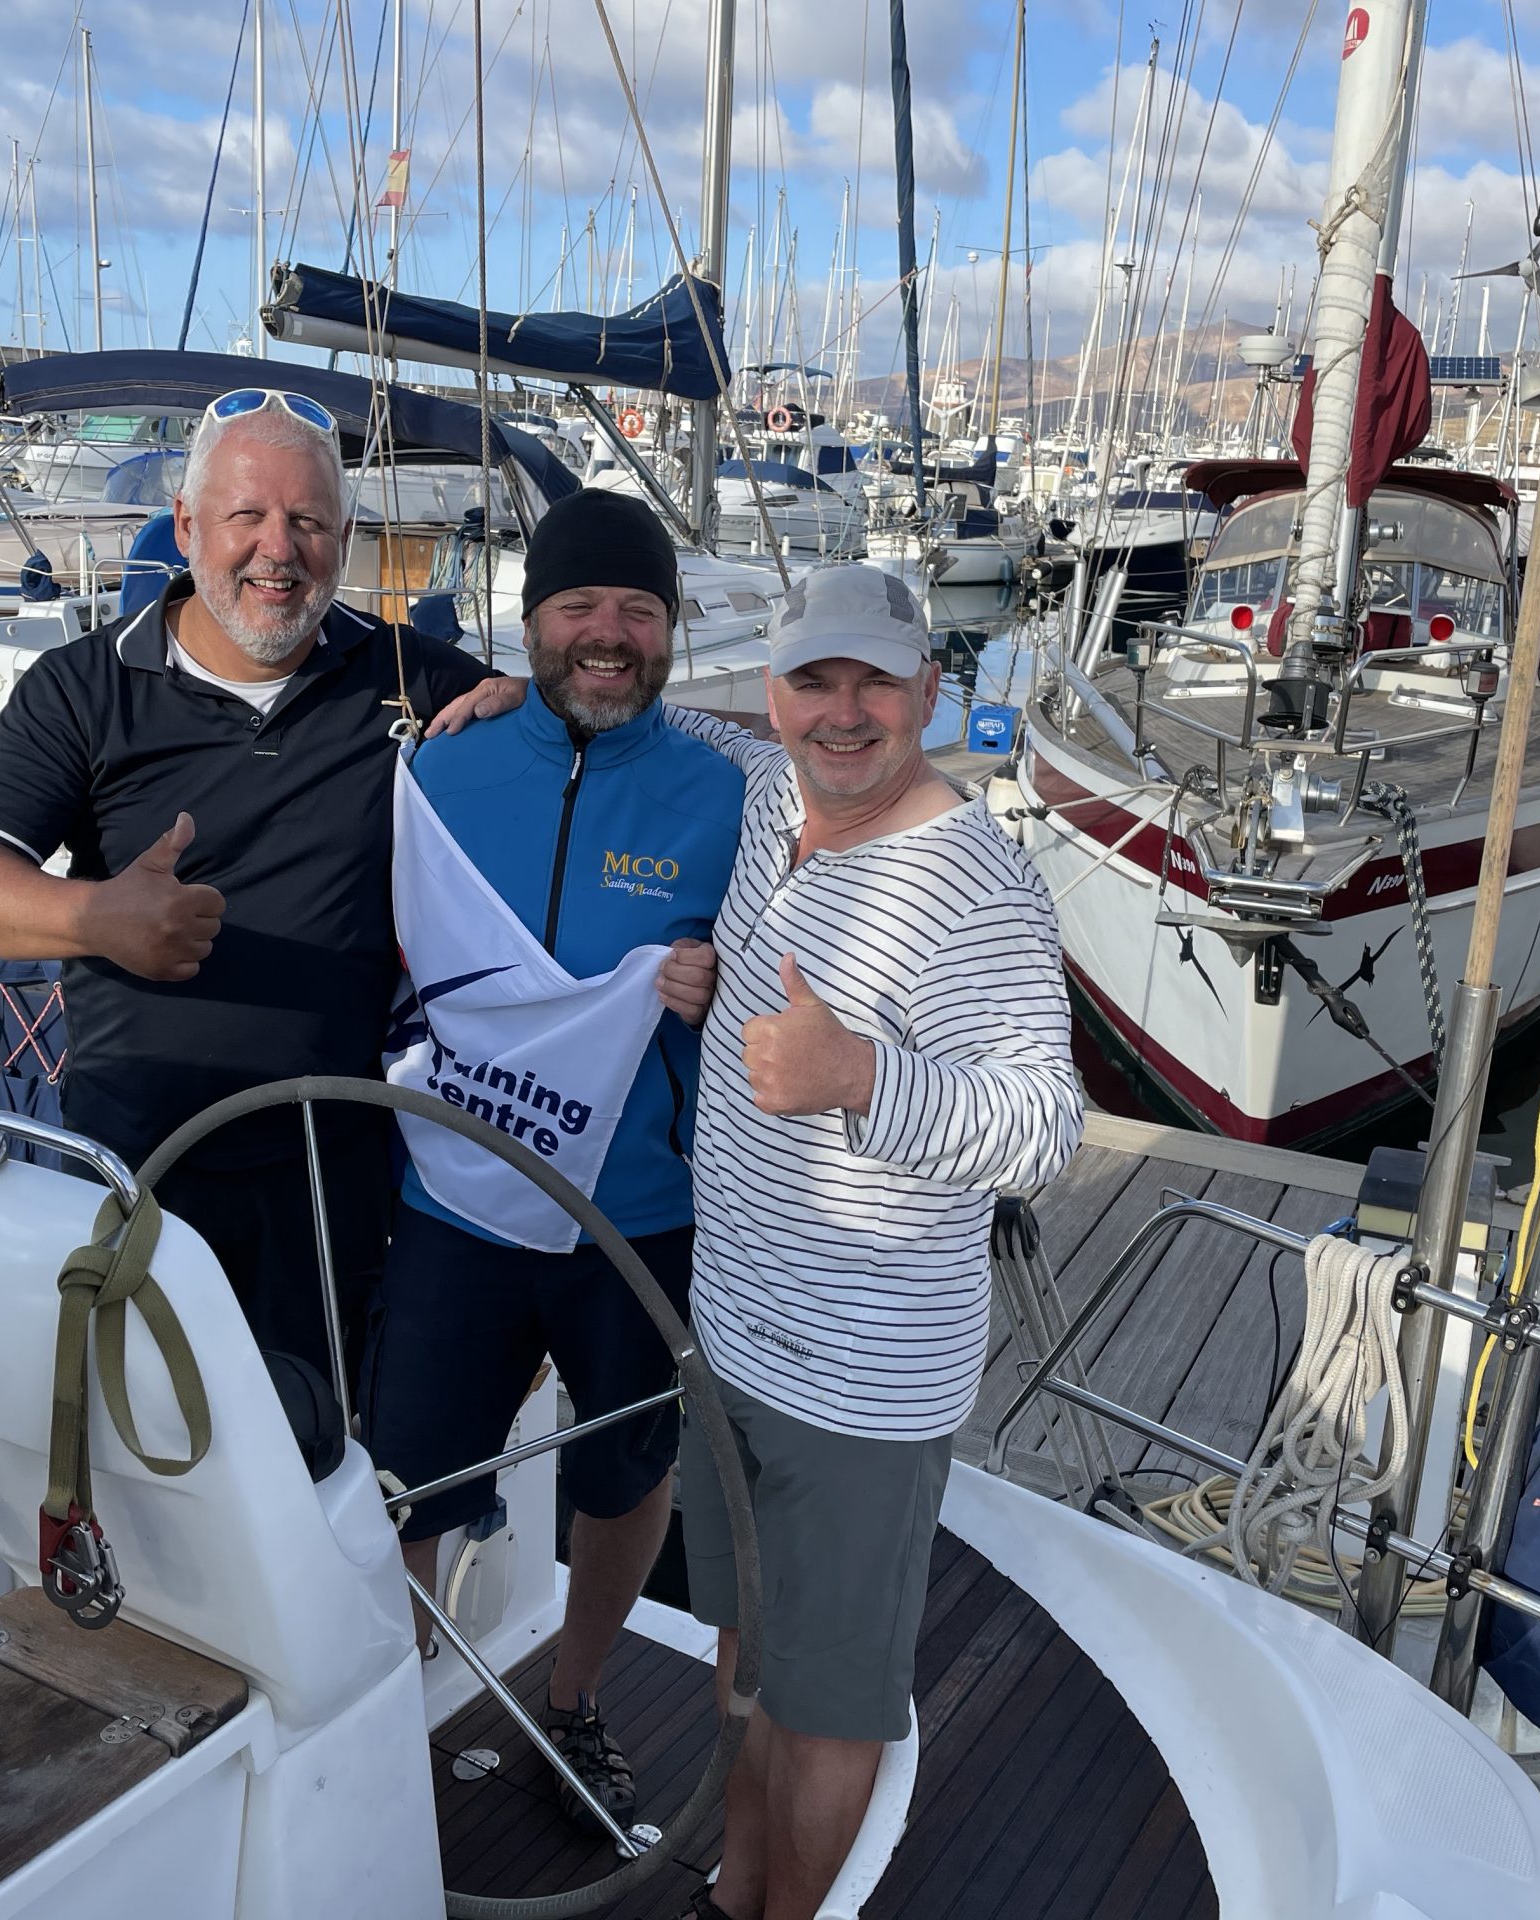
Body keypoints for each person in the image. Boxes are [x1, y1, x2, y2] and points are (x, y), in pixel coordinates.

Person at [0, 388, 495, 1385]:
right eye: (247, 516)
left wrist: (522, 706)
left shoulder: (414, 676)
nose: (279, 549)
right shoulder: (83, 688)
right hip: (135, 1158)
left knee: (307, 1439)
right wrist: (97, 918)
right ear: (186, 527)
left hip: (331, 1168)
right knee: (128, 1429)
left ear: (343, 538)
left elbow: (578, 734)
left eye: (309, 521)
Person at [667, 563, 1083, 1920]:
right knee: (745, 1658)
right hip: (731, 1335)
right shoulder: (771, 791)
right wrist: (499, 691)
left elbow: (1043, 1128)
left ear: (931, 694)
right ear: (775, 689)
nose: (841, 714)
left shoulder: (976, 889)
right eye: (813, 681)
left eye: (875, 685)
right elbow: (686, 721)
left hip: (856, 1386)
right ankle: (734, 1892)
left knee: (828, 1707)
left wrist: (858, 1076)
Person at [369, 488, 745, 1827]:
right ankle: (384, 1712)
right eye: (579, 604)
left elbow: (786, 974)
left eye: (638, 609)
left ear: (669, 631)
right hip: (454, 1203)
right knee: (410, 1477)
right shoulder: (440, 772)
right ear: (531, 623)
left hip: (636, 1220)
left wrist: (720, 985)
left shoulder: (725, 796)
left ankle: (574, 1694)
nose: (608, 633)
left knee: (624, 1475)